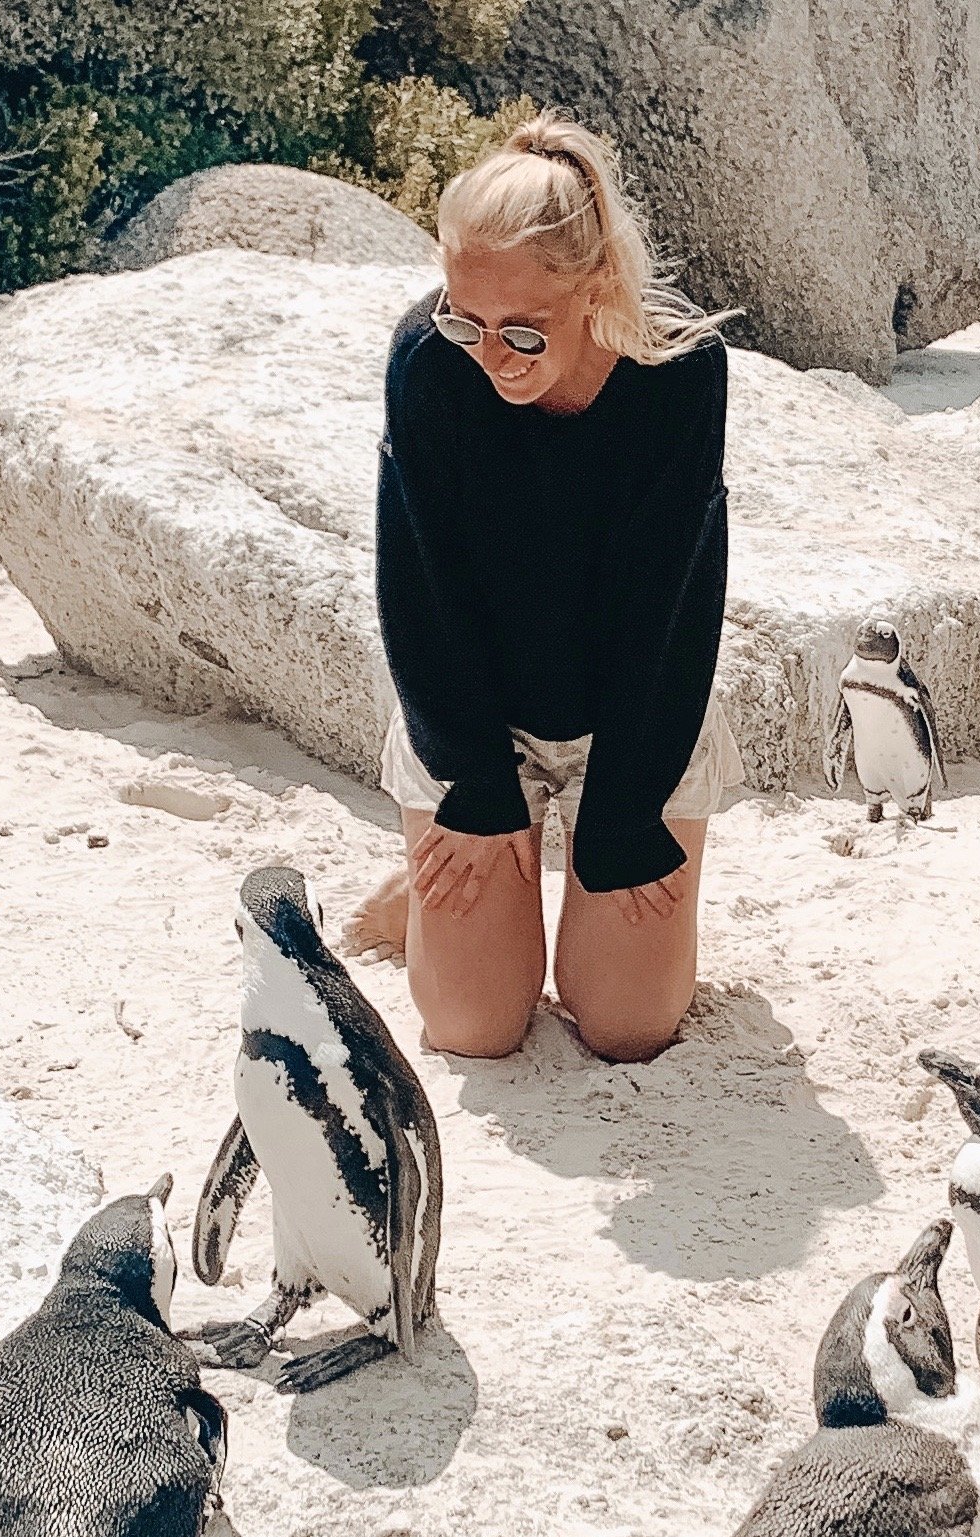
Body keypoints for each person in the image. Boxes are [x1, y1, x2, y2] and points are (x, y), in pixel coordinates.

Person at [370, 114, 739, 1064]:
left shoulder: (681, 373)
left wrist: (623, 814)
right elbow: (417, 592)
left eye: (522, 331)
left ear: (596, 286)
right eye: (465, 317)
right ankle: (453, 879)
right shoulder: (427, 360)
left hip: (633, 713)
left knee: (627, 1025)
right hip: (474, 710)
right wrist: (477, 783)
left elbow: (675, 608)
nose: (487, 354)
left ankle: (562, 866)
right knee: (474, 1027)